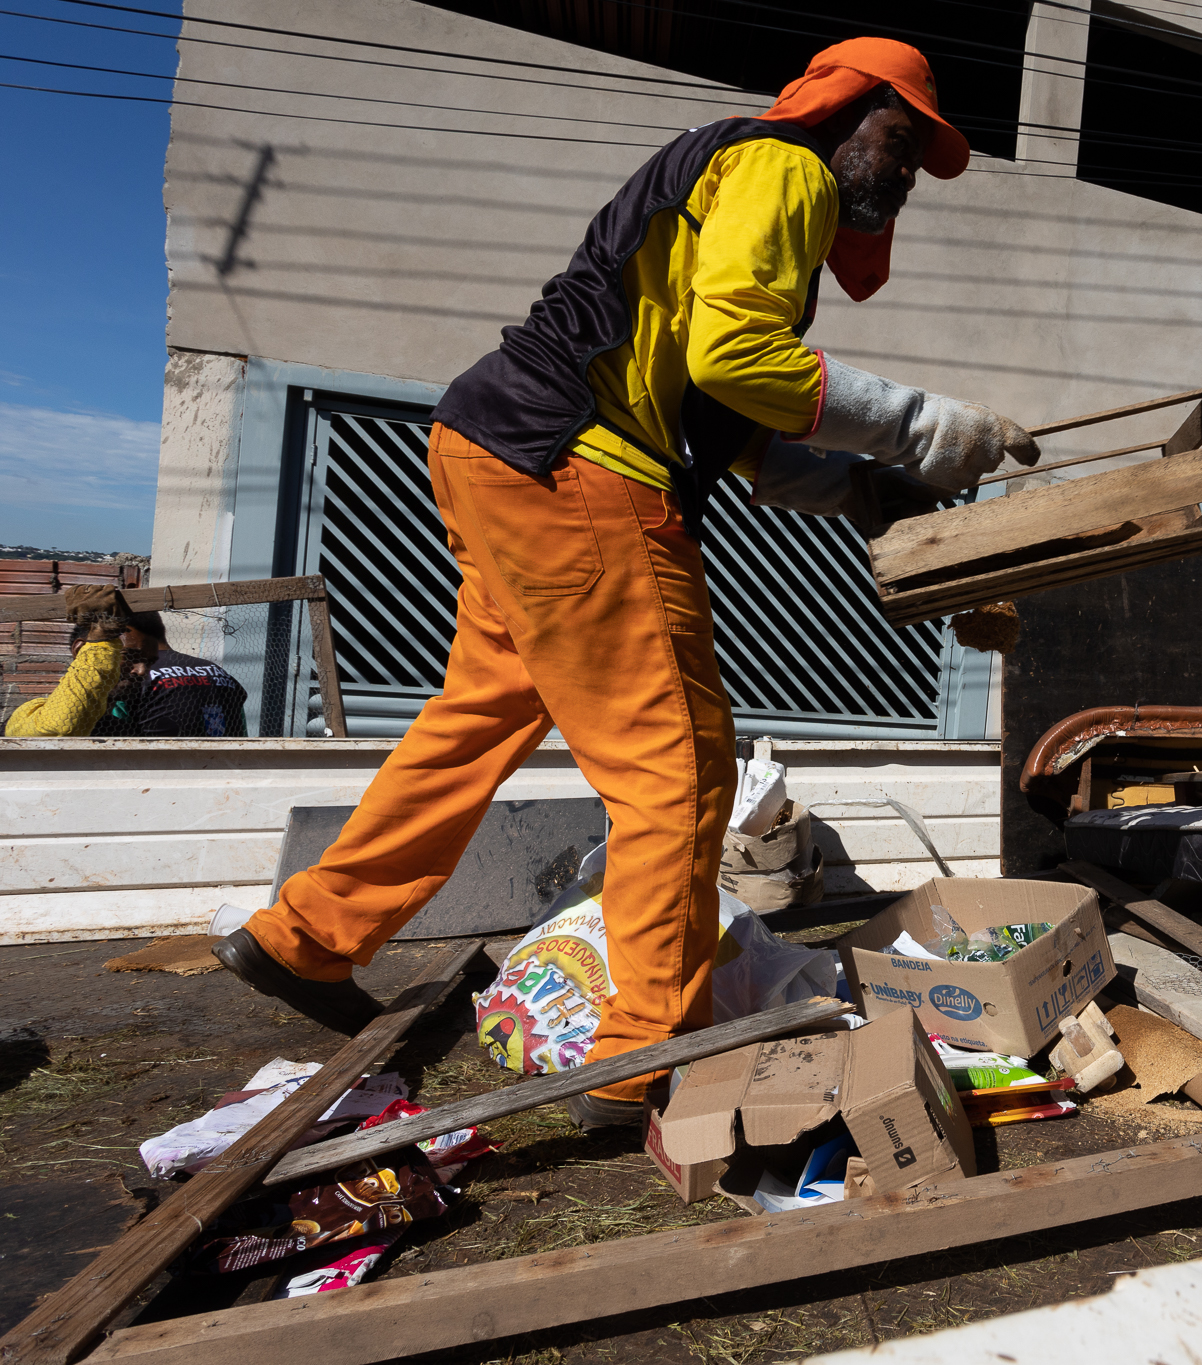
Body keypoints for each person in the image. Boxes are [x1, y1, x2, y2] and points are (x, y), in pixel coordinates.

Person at [212, 37, 1040, 1130]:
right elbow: (736, 363)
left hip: (493, 445)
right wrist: (929, 427)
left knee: (478, 717)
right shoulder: (784, 166)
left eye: (916, 164)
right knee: (679, 777)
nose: (901, 175)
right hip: (580, 474)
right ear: (845, 109)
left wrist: (866, 491)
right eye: (897, 142)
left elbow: (723, 423)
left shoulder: (721, 176)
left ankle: (303, 938)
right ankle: (636, 1058)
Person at [90, 612, 250, 739]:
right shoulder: (217, 671)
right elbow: (240, 730)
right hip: (225, 769)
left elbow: (115, 734)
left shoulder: (131, 675)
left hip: (162, 770)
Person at [4, 586, 134, 738]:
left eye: (150, 661)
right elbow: (59, 726)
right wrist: (103, 637)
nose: (141, 670)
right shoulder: (30, 716)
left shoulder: (122, 728)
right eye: (124, 655)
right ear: (80, 650)